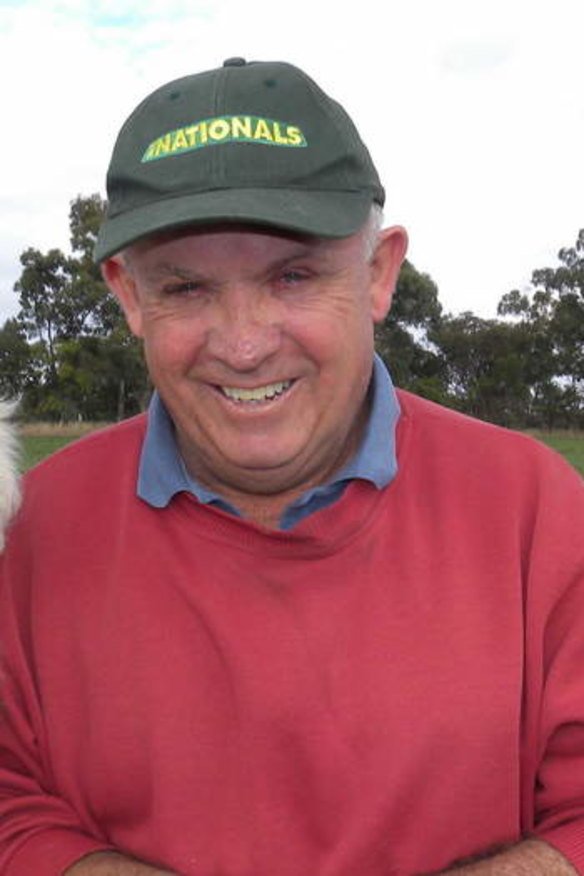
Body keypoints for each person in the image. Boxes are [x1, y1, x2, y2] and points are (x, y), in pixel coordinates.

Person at [0, 58, 583, 876]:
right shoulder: (29, 526)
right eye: (188, 287)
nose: (243, 342)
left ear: (378, 273)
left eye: (295, 276)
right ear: (129, 295)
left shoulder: (538, 509)